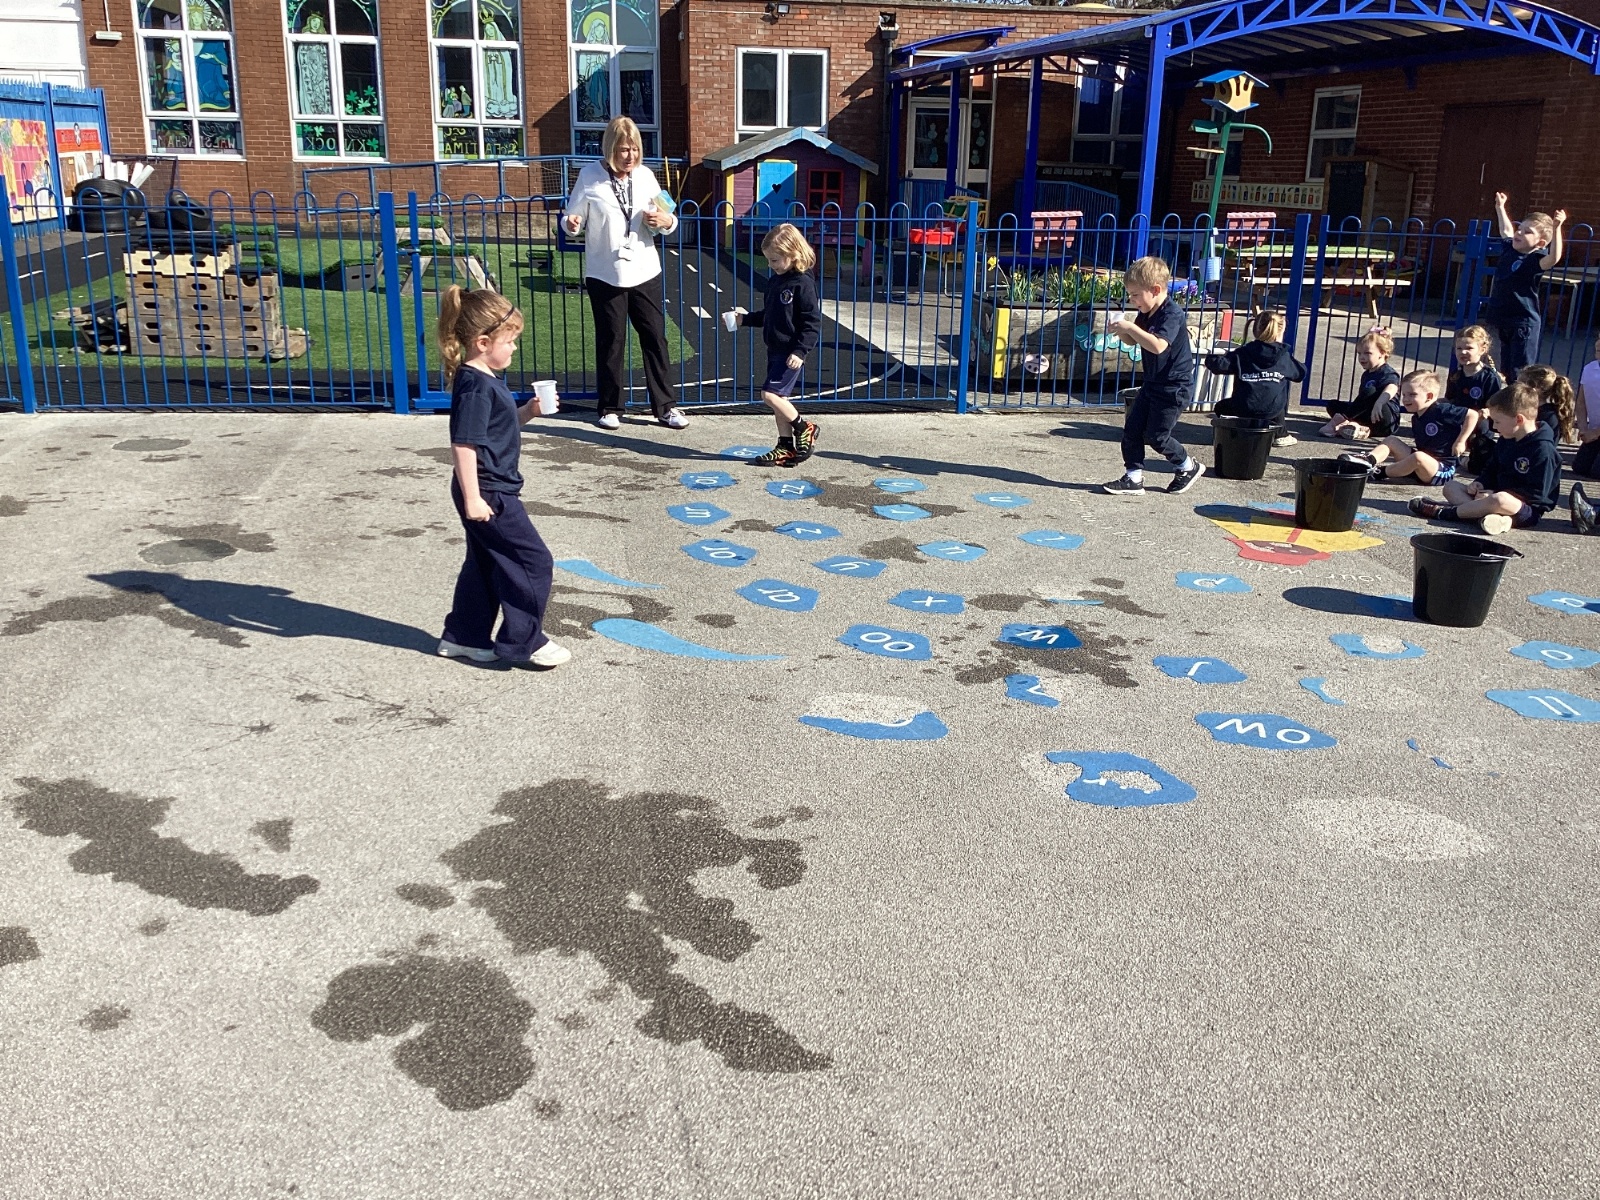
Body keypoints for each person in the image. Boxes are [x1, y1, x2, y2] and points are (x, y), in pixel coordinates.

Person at [435, 285, 570, 669]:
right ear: (482, 343)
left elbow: (495, 430)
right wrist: (474, 498)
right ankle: (524, 641)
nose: (514, 348)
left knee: (485, 564)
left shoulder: (483, 379)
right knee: (533, 561)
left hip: (487, 488)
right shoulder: (477, 387)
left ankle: (463, 637)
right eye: (509, 341)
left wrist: (527, 412)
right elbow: (464, 444)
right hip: (489, 492)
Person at [562, 115, 688, 432]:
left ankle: (666, 407)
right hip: (605, 273)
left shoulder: (646, 176)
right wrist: (571, 224)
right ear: (610, 149)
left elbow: (670, 218)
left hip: (645, 270)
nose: (630, 156)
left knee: (655, 338)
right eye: (623, 150)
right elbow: (569, 219)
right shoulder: (589, 176)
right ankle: (610, 407)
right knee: (611, 341)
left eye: (634, 149)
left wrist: (666, 222)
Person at [1099, 256, 1203, 496]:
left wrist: (1130, 327)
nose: (1132, 300)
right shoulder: (1146, 313)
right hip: (1153, 383)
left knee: (1158, 436)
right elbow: (1134, 340)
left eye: (1135, 294)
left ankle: (1187, 466)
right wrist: (1120, 330)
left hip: (1174, 386)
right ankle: (1133, 477)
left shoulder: (1171, 314)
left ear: (1155, 290)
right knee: (1132, 430)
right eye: (1130, 295)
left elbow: (1158, 346)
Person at [1410, 382, 1560, 535]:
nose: (1494, 427)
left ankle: (1446, 513)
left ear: (1519, 420)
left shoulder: (1543, 450)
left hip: (1523, 509)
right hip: (1491, 498)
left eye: (1498, 422)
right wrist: (1480, 483)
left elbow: (1537, 495)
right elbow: (1492, 469)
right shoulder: (1507, 438)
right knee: (1451, 487)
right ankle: (1488, 518)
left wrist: (1493, 493)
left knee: (1500, 499)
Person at [729, 223, 822, 467]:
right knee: (780, 399)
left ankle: (804, 427)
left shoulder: (803, 284)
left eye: (775, 260)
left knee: (769, 395)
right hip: (775, 349)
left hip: (791, 352)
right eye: (768, 260)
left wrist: (800, 351)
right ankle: (785, 446)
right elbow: (770, 315)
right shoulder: (776, 281)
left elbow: (812, 323)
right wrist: (745, 319)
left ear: (793, 254)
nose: (771, 265)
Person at [1340, 367, 1477, 485]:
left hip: (1441, 471)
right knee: (1391, 440)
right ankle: (1368, 461)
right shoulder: (1416, 417)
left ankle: (1378, 472)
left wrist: (1461, 441)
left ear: (1429, 396)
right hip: (1420, 465)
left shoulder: (1442, 410)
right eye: (1404, 395)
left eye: (1412, 395)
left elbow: (1472, 415)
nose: (1405, 399)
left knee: (1418, 457)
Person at [1483, 194, 1566, 378]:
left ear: (1541, 243)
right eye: (1520, 228)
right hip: (1503, 320)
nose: (1519, 233)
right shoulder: (1510, 250)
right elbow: (1506, 230)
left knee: (1521, 373)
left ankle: (1523, 397)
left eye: (1527, 232)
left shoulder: (1534, 260)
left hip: (1523, 324)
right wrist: (1500, 207)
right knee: (1504, 371)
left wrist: (1556, 228)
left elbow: (1554, 258)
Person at [1203, 308, 1306, 446]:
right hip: (1271, 409)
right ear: (1280, 332)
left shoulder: (1243, 353)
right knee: (1277, 400)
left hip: (1244, 407)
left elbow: (1220, 365)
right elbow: (1300, 374)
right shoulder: (1283, 357)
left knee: (1220, 407)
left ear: (1255, 330)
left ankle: (1233, 432)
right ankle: (1281, 435)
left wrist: (1210, 359)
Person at [1319, 328, 1399, 440]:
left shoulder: (1387, 372)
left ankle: (1342, 420)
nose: (1362, 357)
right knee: (1333, 405)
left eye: (1367, 353)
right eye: (1359, 353)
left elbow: (1392, 387)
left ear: (1382, 353)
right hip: (1369, 418)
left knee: (1370, 391)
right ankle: (1358, 429)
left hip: (1384, 420)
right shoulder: (1367, 374)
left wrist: (1380, 403)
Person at [1448, 325, 1504, 474]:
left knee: (1479, 459)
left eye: (1469, 348)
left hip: (1479, 422)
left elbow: (1495, 405)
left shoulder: (1489, 377)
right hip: (1458, 419)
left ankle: (1469, 456)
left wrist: (1486, 411)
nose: (1463, 352)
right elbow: (1450, 399)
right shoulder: (1456, 374)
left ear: (1482, 349)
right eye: (1459, 348)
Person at [1517, 364, 1578, 445]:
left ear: (1535, 389)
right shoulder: (1526, 409)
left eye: (1518, 385)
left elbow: (1539, 445)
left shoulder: (1547, 417)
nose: (1515, 389)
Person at [1574, 334, 1600, 480]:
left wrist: (1595, 433)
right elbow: (1581, 402)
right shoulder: (1589, 369)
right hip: (1595, 431)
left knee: (1597, 473)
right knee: (1580, 467)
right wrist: (1584, 429)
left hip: (1597, 432)